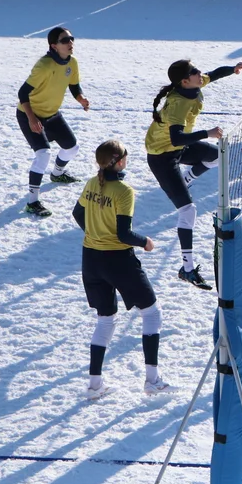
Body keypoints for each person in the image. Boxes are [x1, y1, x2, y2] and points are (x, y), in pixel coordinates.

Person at [73, 139, 170, 399]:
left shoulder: (92, 183)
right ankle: (152, 380)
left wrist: (95, 235)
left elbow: (77, 214)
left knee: (105, 319)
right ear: (118, 161)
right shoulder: (124, 191)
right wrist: (146, 242)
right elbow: (124, 234)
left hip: (90, 258)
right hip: (117, 259)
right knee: (151, 312)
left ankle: (95, 386)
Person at [145, 59, 242, 289]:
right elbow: (176, 138)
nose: (199, 73)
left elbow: (214, 73)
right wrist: (207, 133)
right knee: (188, 210)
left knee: (219, 157)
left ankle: (187, 179)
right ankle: (187, 269)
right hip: (162, 155)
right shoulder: (178, 103)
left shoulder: (195, 83)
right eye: (194, 71)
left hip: (178, 148)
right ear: (184, 80)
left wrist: (233, 70)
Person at [18, 26, 89, 218]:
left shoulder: (72, 63)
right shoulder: (44, 65)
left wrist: (80, 98)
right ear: (54, 46)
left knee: (72, 148)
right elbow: (22, 93)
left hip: (52, 114)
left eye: (71, 38)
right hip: (29, 113)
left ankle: (57, 174)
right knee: (43, 155)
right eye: (65, 40)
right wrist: (32, 118)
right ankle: (32, 202)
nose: (70, 43)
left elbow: (74, 86)